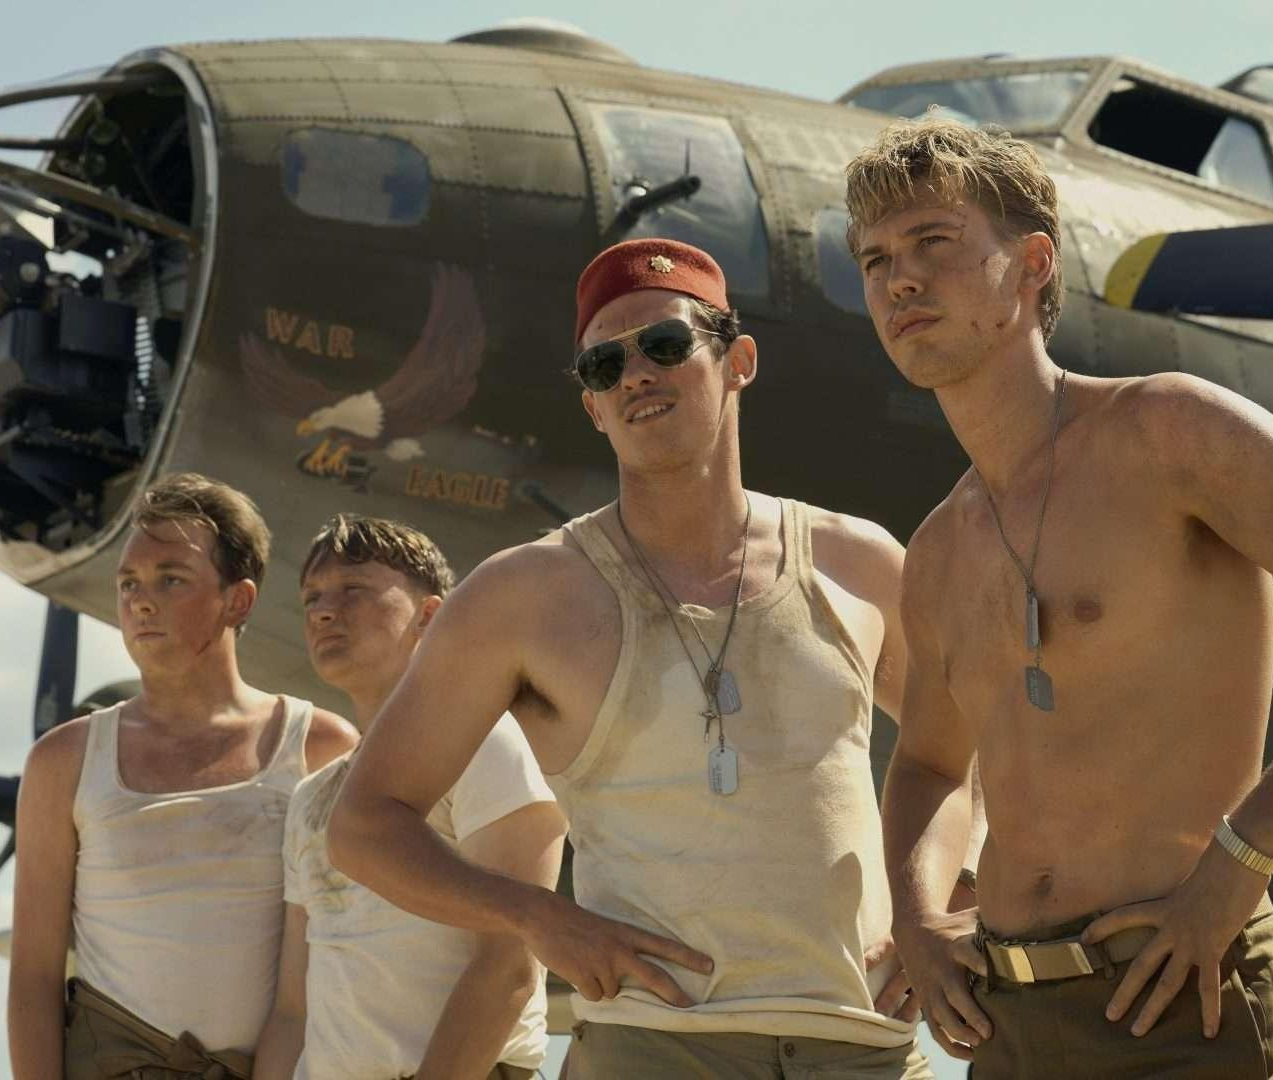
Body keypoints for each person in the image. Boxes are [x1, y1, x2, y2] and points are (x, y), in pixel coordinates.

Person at [844, 115, 1273, 1078]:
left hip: (1187, 998)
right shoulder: (938, 549)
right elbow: (931, 766)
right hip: (1011, 1024)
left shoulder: (1167, 432)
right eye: (875, 259)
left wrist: (1246, 858)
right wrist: (918, 918)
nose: (900, 279)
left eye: (933, 241)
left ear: (1031, 265)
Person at [326, 238, 934, 1079]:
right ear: (593, 407)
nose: (635, 375)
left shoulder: (857, 562)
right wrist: (539, 917)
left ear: (739, 361)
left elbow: (971, 746)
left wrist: (947, 898)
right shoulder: (522, 597)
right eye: (604, 365)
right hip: (653, 1049)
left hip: (863, 1050)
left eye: (665, 344)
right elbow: (363, 825)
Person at [7, 472, 358, 1080]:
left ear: (238, 601)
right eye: (129, 583)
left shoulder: (322, 747)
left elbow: (352, 954)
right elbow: (34, 977)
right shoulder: (61, 762)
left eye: (171, 579)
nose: (141, 601)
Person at [255, 514, 565, 1080]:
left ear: (430, 615)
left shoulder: (486, 741)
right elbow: (291, 1010)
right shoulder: (312, 797)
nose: (324, 611)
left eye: (353, 590)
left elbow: (510, 965)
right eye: (312, 598)